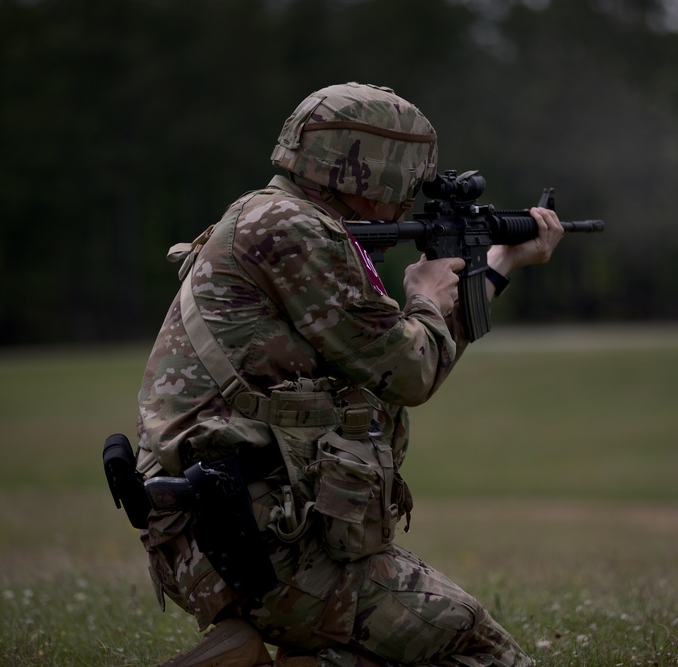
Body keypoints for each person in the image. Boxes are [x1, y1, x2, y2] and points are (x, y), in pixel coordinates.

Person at [135, 82, 565, 667]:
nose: (409, 199)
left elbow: (390, 358)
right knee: (475, 647)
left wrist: (492, 268)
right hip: (256, 544)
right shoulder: (296, 234)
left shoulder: (272, 217)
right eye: (407, 179)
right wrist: (424, 295)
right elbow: (410, 371)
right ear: (372, 170)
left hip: (230, 530)